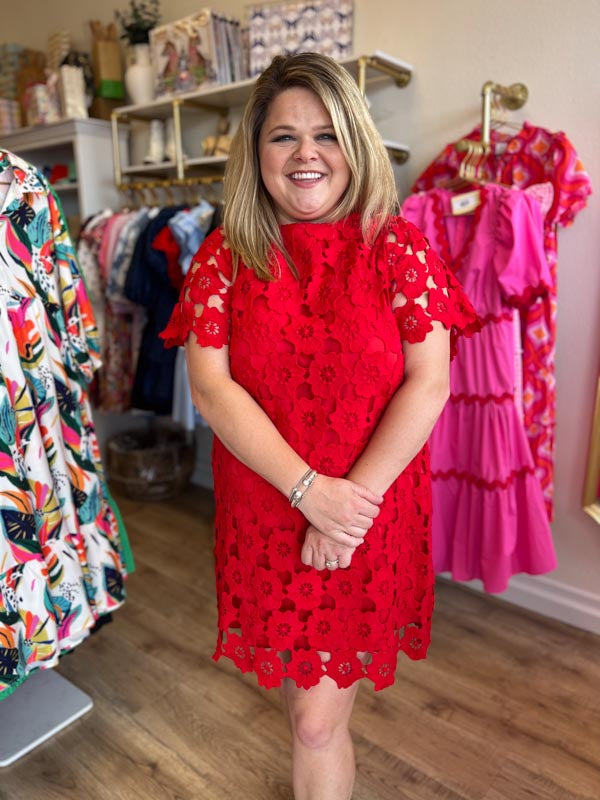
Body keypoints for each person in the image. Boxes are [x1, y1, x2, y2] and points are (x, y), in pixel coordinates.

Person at [161, 53, 479, 800]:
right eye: (283, 136)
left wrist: (343, 511)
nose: (306, 152)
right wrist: (308, 493)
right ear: (257, 153)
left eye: (327, 133)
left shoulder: (398, 249)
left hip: (365, 517)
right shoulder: (225, 257)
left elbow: (428, 382)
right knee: (304, 700)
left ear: (356, 145)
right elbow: (211, 388)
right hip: (270, 512)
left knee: (313, 722)